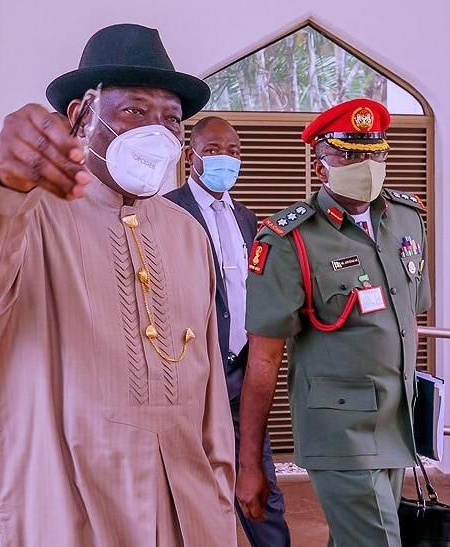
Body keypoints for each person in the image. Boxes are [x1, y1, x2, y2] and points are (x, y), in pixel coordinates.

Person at [0, 24, 237, 546]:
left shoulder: (187, 234)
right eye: (134, 110)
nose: (156, 129)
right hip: (58, 512)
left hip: (180, 512)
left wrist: (218, 507)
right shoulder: (26, 211)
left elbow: (210, 399)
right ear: (82, 116)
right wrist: (0, 179)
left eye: (171, 118)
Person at [236, 98, 431, 547]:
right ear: (321, 163)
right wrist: (251, 463)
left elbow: (405, 323)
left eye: (375, 152)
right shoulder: (290, 239)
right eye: (349, 153)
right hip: (340, 431)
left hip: (395, 419)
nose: (365, 164)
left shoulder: (406, 218)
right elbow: (263, 361)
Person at [164, 116, 290, 546]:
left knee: (261, 490)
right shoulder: (166, 211)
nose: (226, 159)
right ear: (190, 156)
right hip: (192, 380)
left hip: (242, 375)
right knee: (193, 494)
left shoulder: (248, 219)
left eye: (234, 151)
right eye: (215, 150)